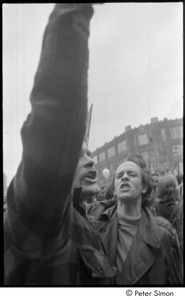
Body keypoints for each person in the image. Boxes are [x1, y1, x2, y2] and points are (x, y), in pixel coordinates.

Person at [4, 3, 118, 286]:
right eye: (77, 156)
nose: (92, 161)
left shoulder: (86, 224)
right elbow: (57, 118)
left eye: (90, 154)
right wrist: (72, 11)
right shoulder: (42, 220)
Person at [87, 155, 183, 285]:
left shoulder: (164, 234)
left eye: (131, 174)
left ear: (144, 187)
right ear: (114, 190)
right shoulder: (94, 228)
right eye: (119, 175)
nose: (125, 177)